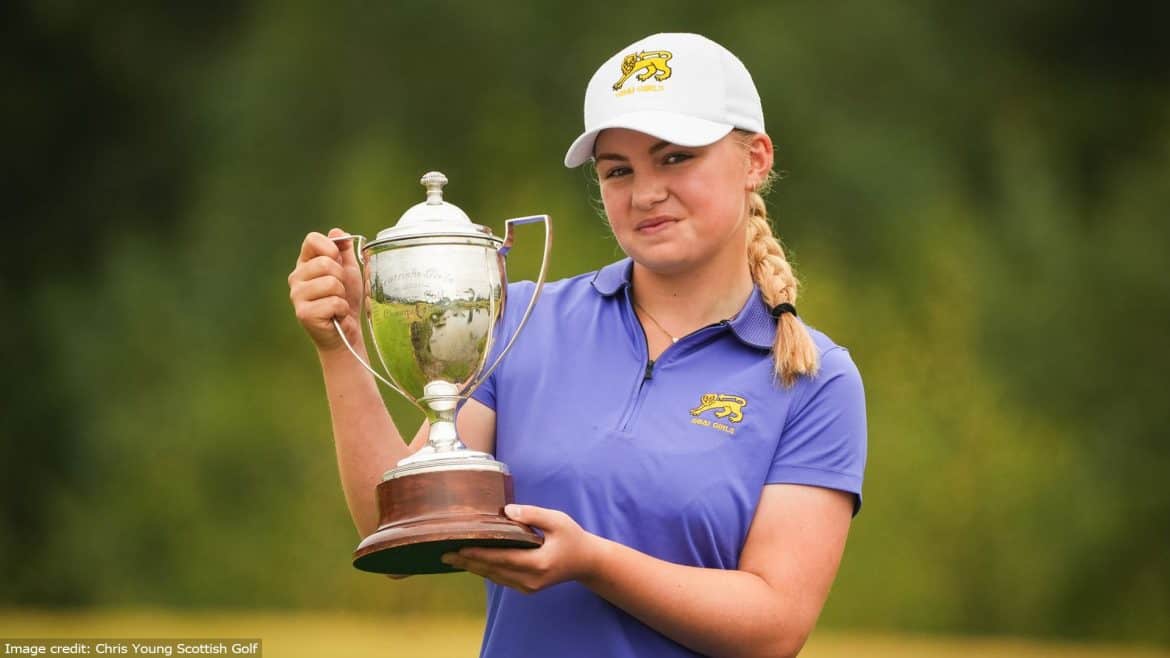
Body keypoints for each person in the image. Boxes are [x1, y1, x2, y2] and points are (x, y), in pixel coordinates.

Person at [288, 32, 866, 658]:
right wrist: (340, 343)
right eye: (618, 170)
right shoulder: (528, 320)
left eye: (674, 158)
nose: (645, 192)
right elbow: (394, 530)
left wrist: (594, 563)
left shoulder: (814, 378)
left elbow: (774, 626)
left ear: (754, 159)